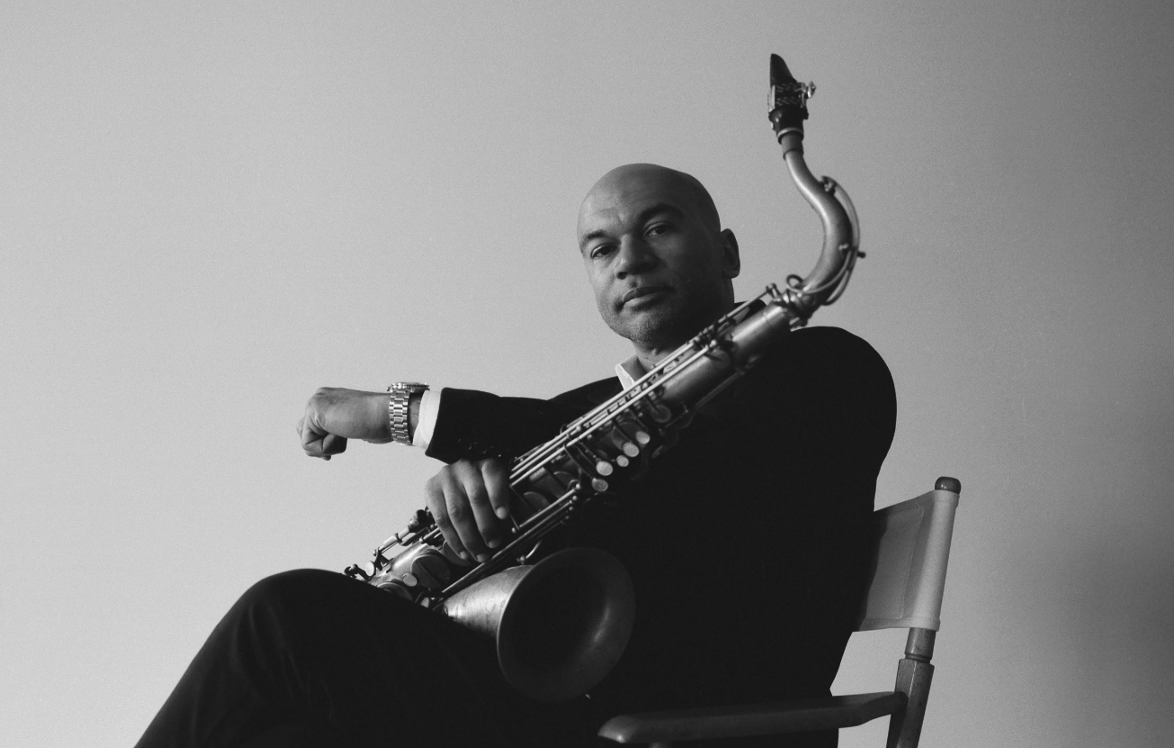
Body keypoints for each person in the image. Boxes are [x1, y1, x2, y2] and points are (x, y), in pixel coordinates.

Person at [136, 164, 896, 748]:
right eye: (602, 248)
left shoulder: (828, 368)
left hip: (683, 730)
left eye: (659, 228)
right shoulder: (593, 411)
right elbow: (562, 436)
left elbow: (641, 446)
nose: (629, 260)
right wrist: (481, 520)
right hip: (572, 712)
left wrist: (399, 413)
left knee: (287, 618)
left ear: (726, 251)